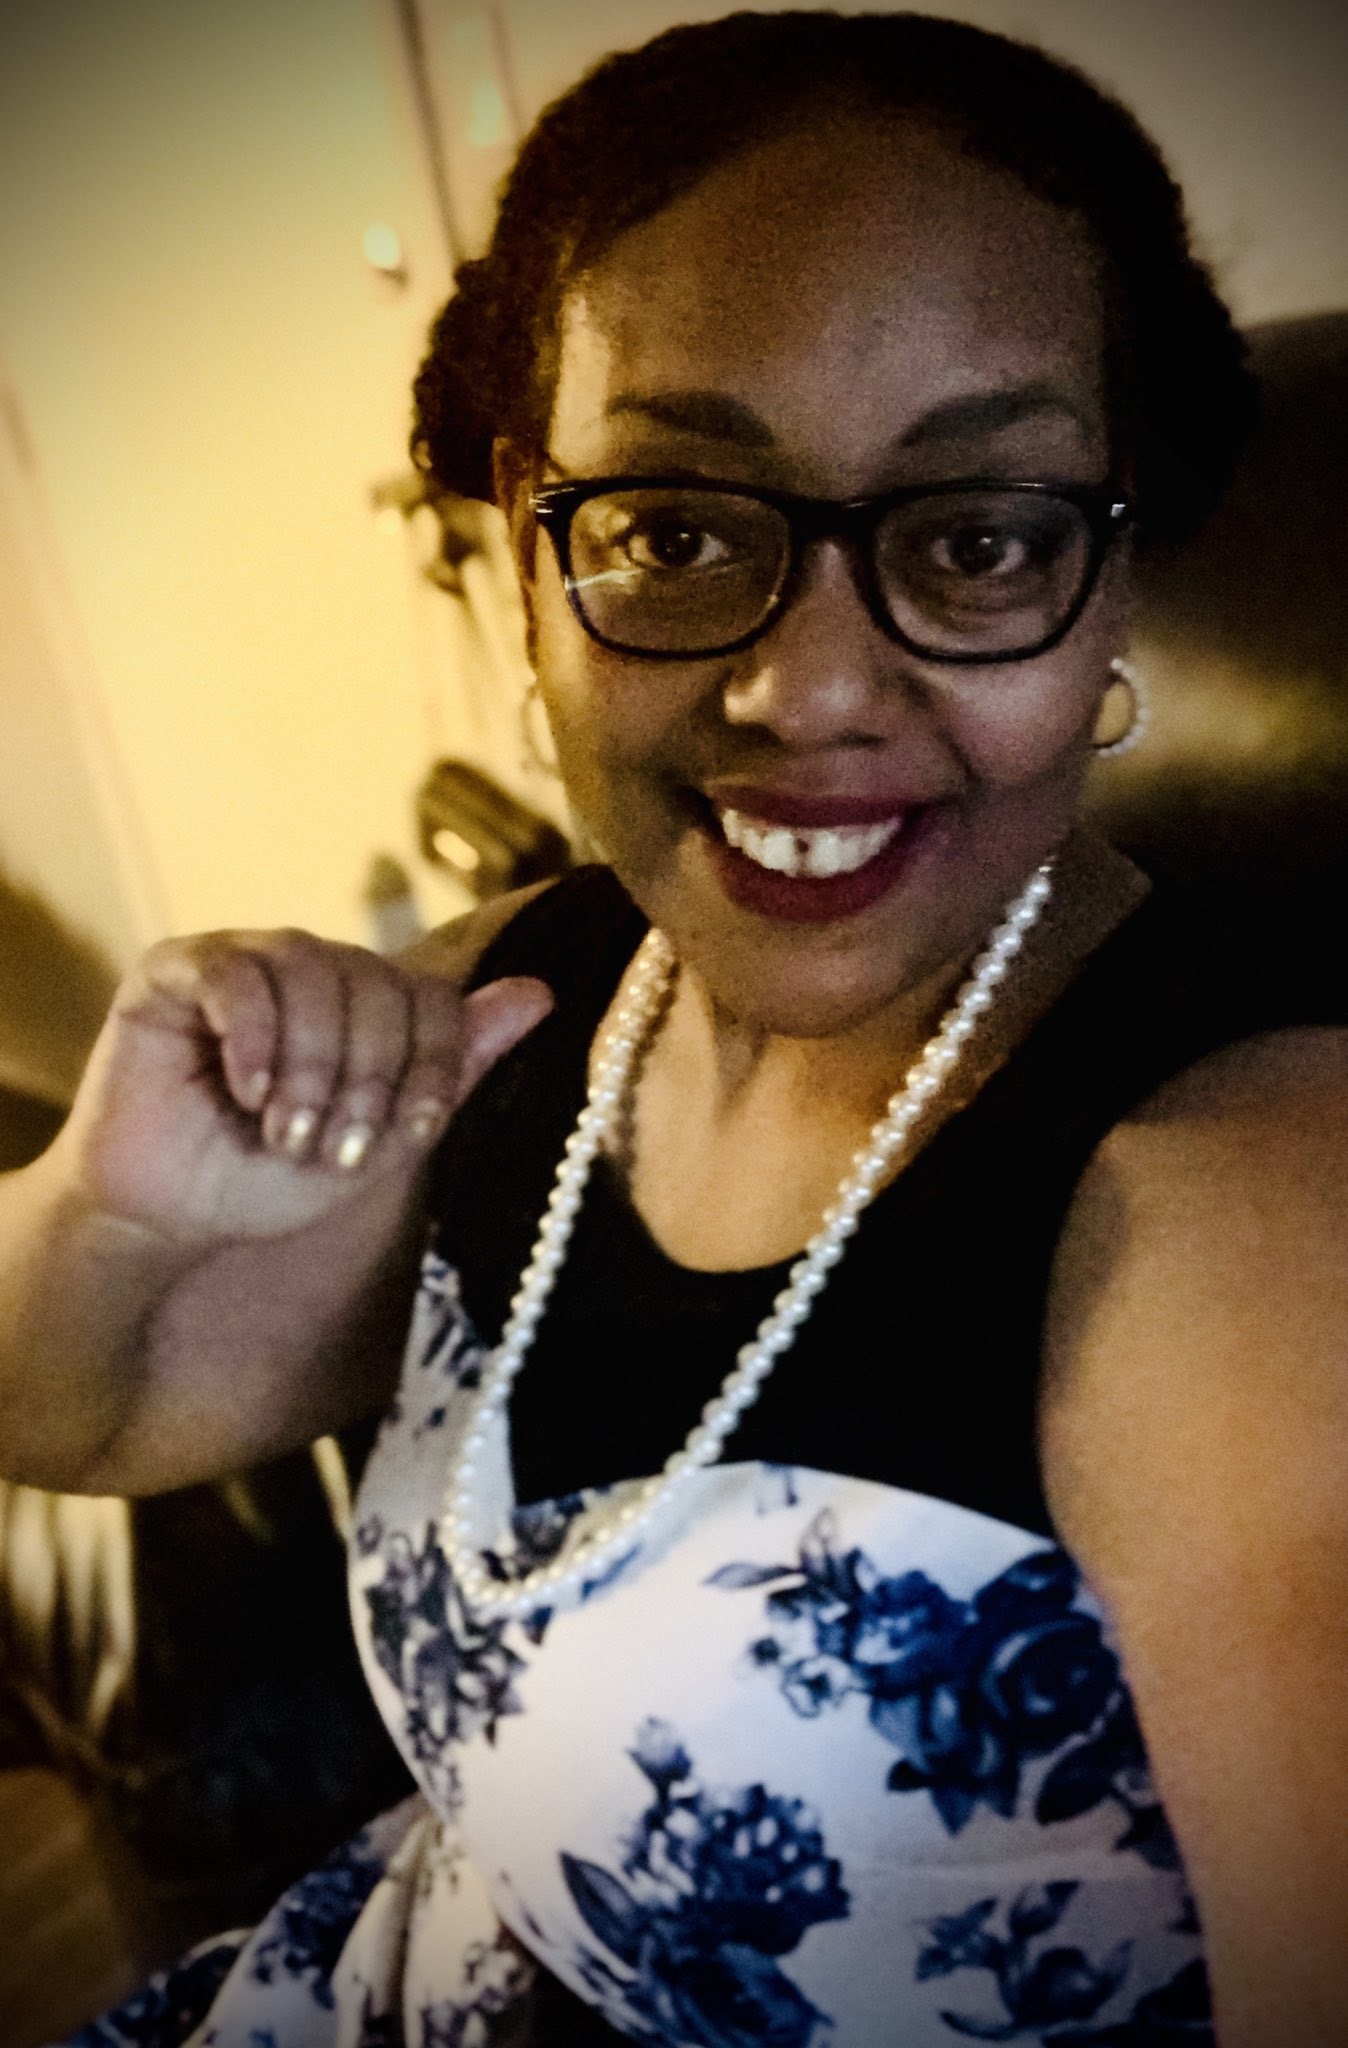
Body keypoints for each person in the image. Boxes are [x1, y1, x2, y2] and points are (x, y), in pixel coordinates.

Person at [3, 11, 1346, 2044]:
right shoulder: (531, 992)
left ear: (1113, 565)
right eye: (671, 529)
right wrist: (109, 1210)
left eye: (976, 536)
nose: (807, 691)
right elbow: (75, 1422)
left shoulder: (1246, 1229)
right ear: (519, 550)